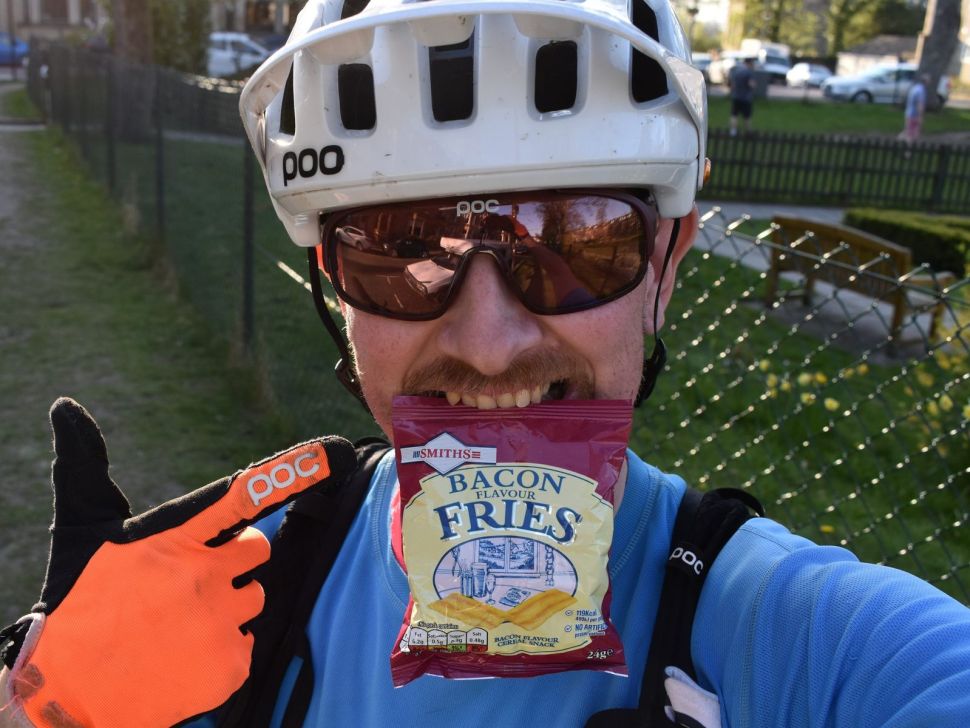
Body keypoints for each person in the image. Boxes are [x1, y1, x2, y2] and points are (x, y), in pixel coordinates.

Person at [2, 1, 970, 726]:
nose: (487, 341)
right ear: (334, 281)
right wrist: (41, 709)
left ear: (667, 262)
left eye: (575, 238)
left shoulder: (796, 639)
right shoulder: (242, 587)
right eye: (399, 249)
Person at [728, 57, 756, 136]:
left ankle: (733, 131)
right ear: (749, 63)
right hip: (746, 98)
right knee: (747, 116)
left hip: (736, 96)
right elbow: (751, 84)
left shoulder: (737, 71)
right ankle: (748, 132)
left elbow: (732, 84)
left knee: (734, 114)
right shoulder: (749, 72)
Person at [902, 73, 930, 143]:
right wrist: (920, 116)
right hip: (914, 114)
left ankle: (900, 141)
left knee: (908, 129)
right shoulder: (921, 91)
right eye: (929, 80)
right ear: (926, 81)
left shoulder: (915, 88)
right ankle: (909, 149)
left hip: (908, 112)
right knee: (912, 133)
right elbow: (920, 104)